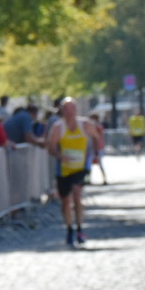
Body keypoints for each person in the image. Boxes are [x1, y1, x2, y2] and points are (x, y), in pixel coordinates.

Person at [46, 97, 101, 246]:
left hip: (81, 168)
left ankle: (80, 229)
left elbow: (97, 137)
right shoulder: (58, 127)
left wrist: (95, 154)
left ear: (76, 110)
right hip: (64, 169)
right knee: (65, 201)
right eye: (66, 109)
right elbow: (50, 146)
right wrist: (59, 155)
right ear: (62, 111)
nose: (70, 112)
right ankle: (69, 228)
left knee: (77, 194)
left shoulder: (85, 125)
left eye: (72, 109)